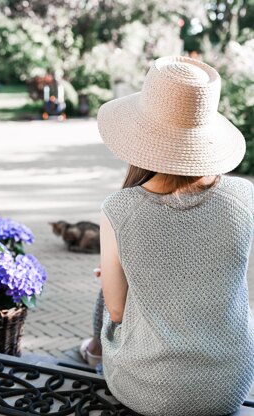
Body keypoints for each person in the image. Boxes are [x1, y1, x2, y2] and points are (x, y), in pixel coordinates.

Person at [82, 55, 254, 415]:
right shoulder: (244, 197)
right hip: (229, 384)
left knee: (106, 291)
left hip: (149, 388)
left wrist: (130, 274)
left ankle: (91, 353)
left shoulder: (118, 209)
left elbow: (116, 311)